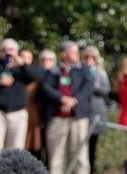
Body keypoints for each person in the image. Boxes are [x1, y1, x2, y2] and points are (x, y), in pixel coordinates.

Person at [41, 41, 94, 174]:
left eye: (77, 51)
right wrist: (62, 99)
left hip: (79, 118)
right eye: (73, 51)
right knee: (56, 156)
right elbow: (46, 88)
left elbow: (88, 87)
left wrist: (74, 101)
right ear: (64, 53)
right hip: (57, 118)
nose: (76, 54)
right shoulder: (54, 70)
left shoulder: (84, 69)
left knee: (80, 155)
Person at [0, 39, 39, 152]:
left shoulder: (22, 68)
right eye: (4, 50)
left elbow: (34, 77)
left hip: (18, 113)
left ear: (17, 51)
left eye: (11, 49)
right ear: (0, 52)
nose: (8, 52)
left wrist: (22, 63)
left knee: (15, 151)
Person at [25, 49, 57, 162]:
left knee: (50, 150)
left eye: (50, 59)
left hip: (53, 116)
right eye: (43, 59)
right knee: (35, 147)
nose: (46, 62)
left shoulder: (58, 76)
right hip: (36, 118)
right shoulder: (34, 76)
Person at [83, 46, 110, 173]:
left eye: (92, 57)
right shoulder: (80, 70)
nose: (89, 60)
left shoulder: (101, 73)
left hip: (96, 112)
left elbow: (106, 90)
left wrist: (94, 85)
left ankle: (91, 169)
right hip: (82, 113)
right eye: (87, 57)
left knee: (92, 145)